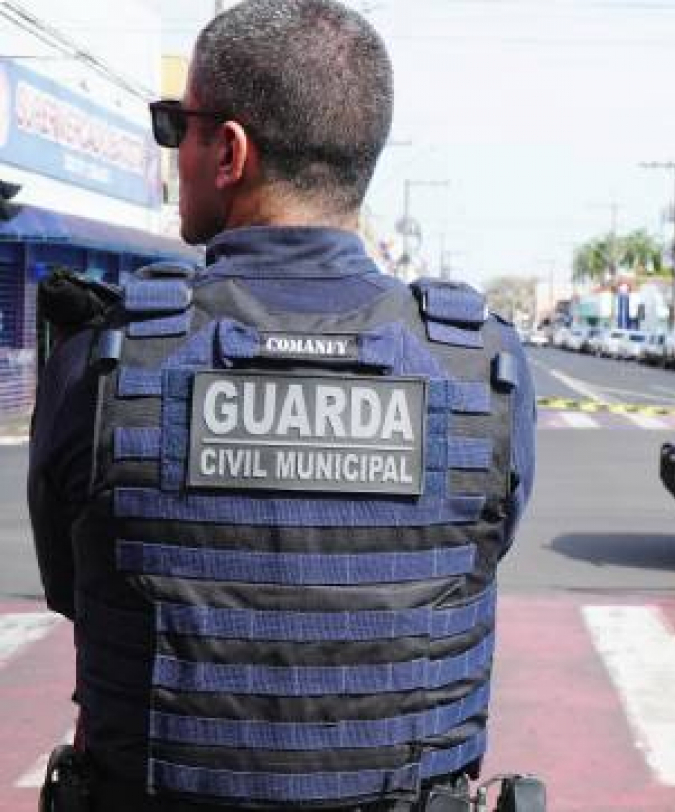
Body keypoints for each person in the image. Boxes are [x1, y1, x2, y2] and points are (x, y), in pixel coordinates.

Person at [27, 1, 535, 809]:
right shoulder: (483, 365)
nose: (173, 154)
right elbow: (482, 552)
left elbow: (72, 589)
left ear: (227, 151)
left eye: (176, 126)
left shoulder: (106, 358)